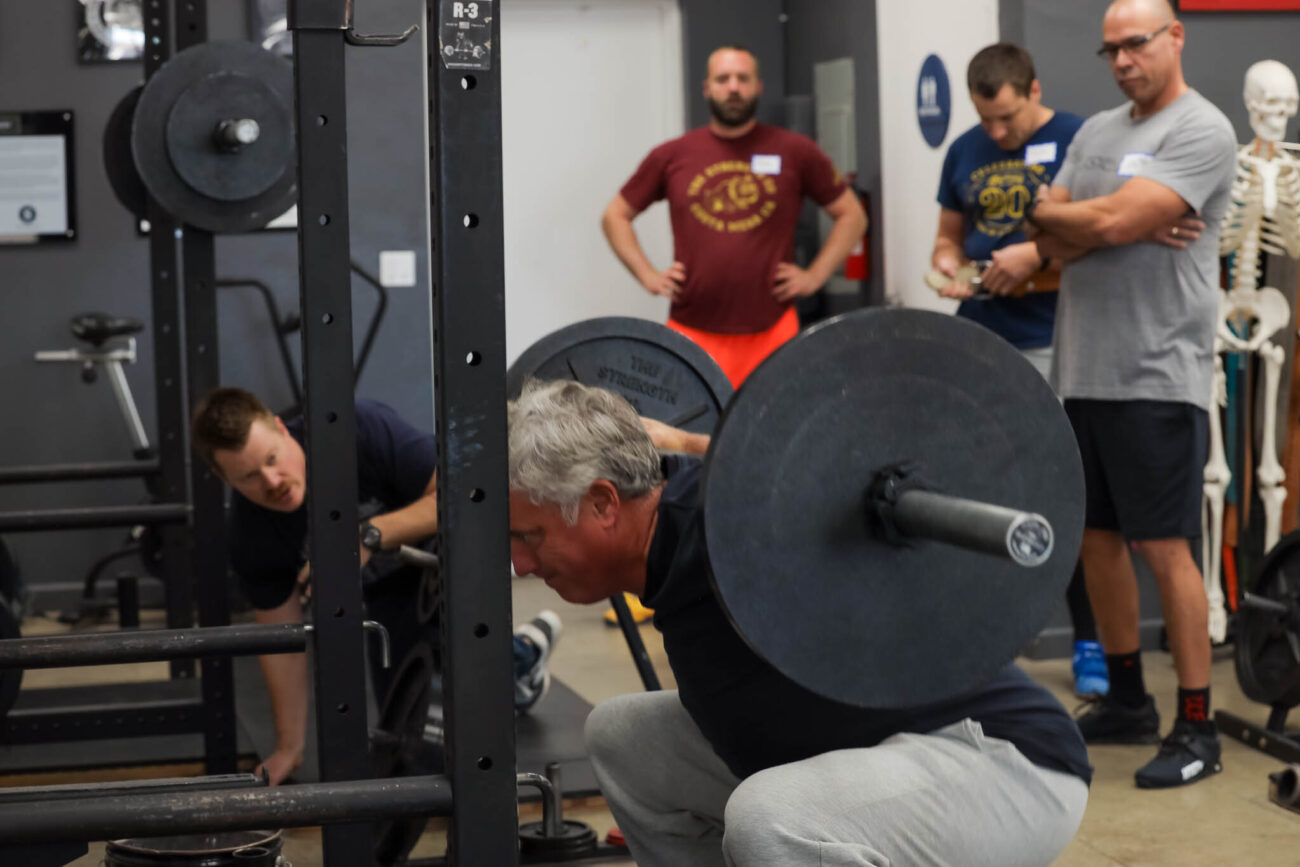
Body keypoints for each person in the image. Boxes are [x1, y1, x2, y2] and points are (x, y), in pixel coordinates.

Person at [507, 380, 1090, 866]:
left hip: (997, 761)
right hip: (864, 752)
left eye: (531, 537)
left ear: (605, 503)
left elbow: (828, 475)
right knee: (620, 735)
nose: (521, 564)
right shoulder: (672, 538)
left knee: (772, 818)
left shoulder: (736, 527)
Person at [1008, 0, 1237, 788]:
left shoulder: (1201, 130)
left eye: (1134, 44)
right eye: (1109, 50)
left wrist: (1096, 221)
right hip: (1084, 371)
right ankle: (1130, 700)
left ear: (1175, 36)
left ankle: (1198, 726)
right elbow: (1046, 226)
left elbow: (1097, 226)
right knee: (1095, 539)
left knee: (1165, 548)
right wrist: (1084, 218)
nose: (1121, 61)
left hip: (1156, 373)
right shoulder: (1097, 131)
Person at [191, 387, 560, 785]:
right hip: (385, 598)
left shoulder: (358, 431)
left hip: (439, 558)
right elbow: (284, 644)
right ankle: (521, 660)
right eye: (249, 477)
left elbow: (464, 494)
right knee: (412, 744)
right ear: (223, 478)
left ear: (282, 430)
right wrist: (288, 748)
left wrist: (369, 534)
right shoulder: (251, 537)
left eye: (271, 459)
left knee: (456, 722)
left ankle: (510, 660)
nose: (272, 481)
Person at [930, 42, 1107, 697]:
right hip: (979, 342)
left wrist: (1031, 261)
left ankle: (1090, 640)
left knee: (1067, 494)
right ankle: (982, 639)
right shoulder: (966, 149)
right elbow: (949, 234)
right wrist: (950, 263)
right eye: (987, 121)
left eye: (1008, 119)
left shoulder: (1082, 138)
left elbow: (1102, 239)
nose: (997, 133)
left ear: (1033, 89)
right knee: (975, 491)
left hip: (1059, 341)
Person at [601, 44, 867, 390]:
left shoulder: (795, 151)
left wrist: (814, 276)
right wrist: (648, 276)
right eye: (723, 79)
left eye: (743, 78)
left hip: (773, 329)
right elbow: (615, 216)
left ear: (758, 86)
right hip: (692, 331)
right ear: (707, 88)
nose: (733, 87)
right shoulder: (672, 155)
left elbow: (852, 215)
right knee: (692, 437)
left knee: (773, 433)